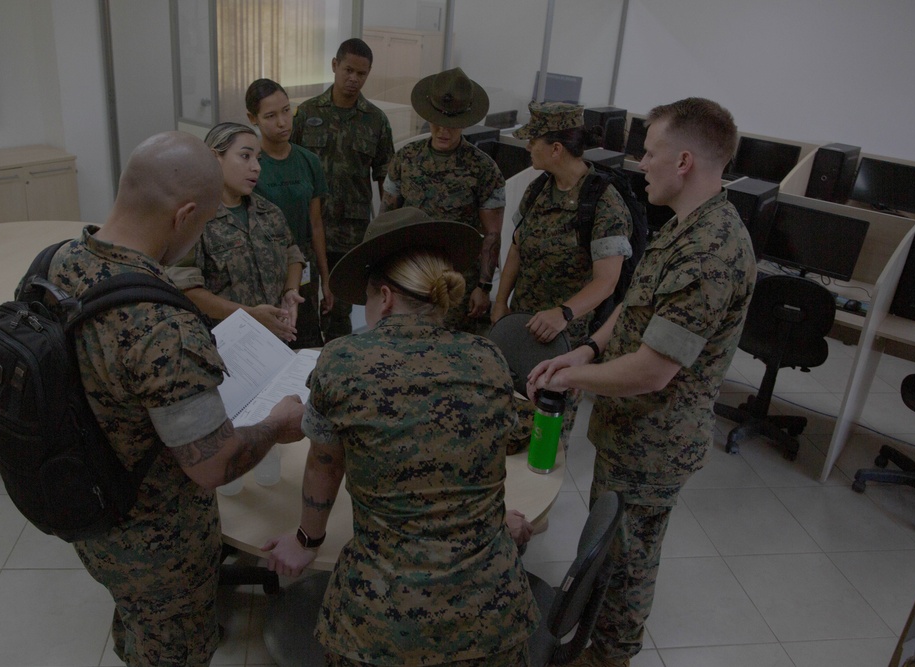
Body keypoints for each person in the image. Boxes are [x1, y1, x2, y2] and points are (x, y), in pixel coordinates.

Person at [45, 131, 306, 666]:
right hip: (155, 541)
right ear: (185, 215)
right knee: (174, 649)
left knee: (136, 618)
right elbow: (212, 465)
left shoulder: (60, 262)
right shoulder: (163, 326)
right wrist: (277, 426)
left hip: (84, 500)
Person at [527, 98, 757, 667]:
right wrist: (590, 345)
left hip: (655, 441)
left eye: (649, 152)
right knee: (606, 551)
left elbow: (655, 369)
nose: (640, 163)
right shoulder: (685, 226)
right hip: (631, 431)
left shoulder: (710, 251)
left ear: (683, 161)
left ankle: (609, 656)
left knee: (626, 559)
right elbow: (635, 304)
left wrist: (571, 373)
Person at [264, 207, 540, 666]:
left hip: (383, 627)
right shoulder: (487, 357)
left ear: (386, 298)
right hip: (491, 620)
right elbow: (483, 451)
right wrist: (491, 524)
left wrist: (305, 541)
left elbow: (324, 465)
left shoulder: (343, 359)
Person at [492, 101, 634, 345]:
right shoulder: (538, 189)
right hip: (521, 322)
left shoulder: (603, 203)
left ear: (556, 149)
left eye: (533, 141)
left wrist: (563, 313)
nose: (528, 147)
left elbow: (606, 281)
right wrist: (501, 302)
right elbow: (517, 247)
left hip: (565, 336)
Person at [381, 67, 504, 335]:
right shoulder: (405, 158)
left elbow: (492, 235)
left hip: (456, 285)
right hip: (409, 278)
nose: (443, 130)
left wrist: (483, 288)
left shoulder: (483, 169)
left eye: (453, 123)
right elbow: (386, 220)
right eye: (437, 120)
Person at [291, 37, 395, 341]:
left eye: (361, 74)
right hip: (308, 230)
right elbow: (292, 164)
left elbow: (386, 180)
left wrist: (385, 230)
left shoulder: (376, 121)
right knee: (305, 308)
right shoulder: (306, 114)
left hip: (351, 234)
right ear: (335, 66)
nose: (353, 79)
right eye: (348, 70)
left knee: (340, 311)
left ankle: (339, 363)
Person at [168, 122, 306, 343]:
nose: (256, 167)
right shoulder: (194, 219)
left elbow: (292, 253)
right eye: (245, 156)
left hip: (273, 339)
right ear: (214, 158)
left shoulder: (268, 212)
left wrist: (290, 290)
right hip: (221, 345)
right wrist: (250, 315)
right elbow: (186, 288)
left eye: (258, 159)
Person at [246, 78, 333, 349]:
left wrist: (326, 280)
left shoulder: (309, 161)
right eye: (271, 116)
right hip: (262, 271)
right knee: (266, 346)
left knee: (304, 338)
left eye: (286, 111)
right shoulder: (251, 165)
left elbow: (316, 225)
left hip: (304, 269)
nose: (283, 122)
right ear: (253, 119)